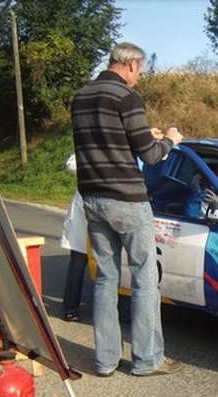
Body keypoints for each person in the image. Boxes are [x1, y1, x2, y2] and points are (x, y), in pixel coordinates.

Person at [71, 42, 184, 377]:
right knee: (144, 279)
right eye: (141, 70)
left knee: (105, 278)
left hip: (92, 197)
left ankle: (105, 361)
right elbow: (151, 156)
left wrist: (139, 135)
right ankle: (147, 359)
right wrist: (170, 141)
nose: (141, 76)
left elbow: (104, 140)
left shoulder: (81, 96)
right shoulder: (127, 97)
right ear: (131, 65)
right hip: (127, 200)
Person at [60, 153, 88, 322]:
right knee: (78, 263)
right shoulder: (88, 145)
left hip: (112, 210)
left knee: (112, 267)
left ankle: (119, 311)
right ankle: (70, 307)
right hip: (84, 213)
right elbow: (72, 164)